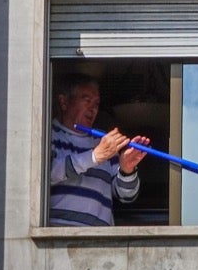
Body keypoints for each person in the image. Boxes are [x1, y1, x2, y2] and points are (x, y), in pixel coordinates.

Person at [47, 73, 150, 226]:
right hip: (56, 241)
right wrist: (94, 157)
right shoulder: (48, 134)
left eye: (96, 103)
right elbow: (44, 176)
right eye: (87, 100)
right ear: (64, 102)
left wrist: (127, 169)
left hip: (100, 243)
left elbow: (126, 196)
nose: (93, 108)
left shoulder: (104, 144)